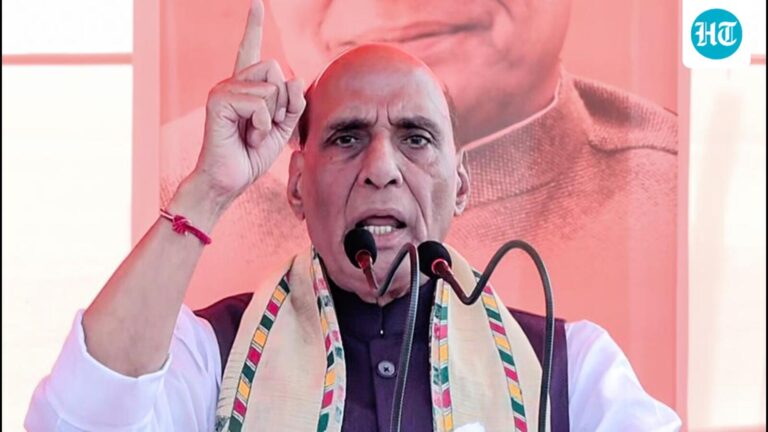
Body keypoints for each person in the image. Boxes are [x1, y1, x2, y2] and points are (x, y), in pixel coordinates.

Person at [26, 2, 681, 431]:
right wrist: (208, 191)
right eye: (347, 137)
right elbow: (76, 421)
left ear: (460, 186)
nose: (382, 167)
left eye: (416, 138)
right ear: (297, 185)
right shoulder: (215, 356)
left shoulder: (569, 368)